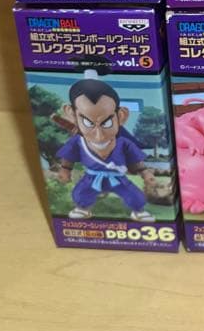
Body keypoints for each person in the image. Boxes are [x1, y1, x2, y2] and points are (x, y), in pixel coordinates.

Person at [55, 76, 156, 222]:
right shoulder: (78, 142)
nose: (99, 134)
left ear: (121, 116)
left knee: (134, 195)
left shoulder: (123, 143)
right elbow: (68, 158)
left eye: (107, 123)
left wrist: (145, 173)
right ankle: (82, 208)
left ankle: (138, 211)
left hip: (117, 177)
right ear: (71, 114)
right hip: (91, 177)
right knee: (81, 193)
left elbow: (135, 161)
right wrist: (65, 170)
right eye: (88, 123)